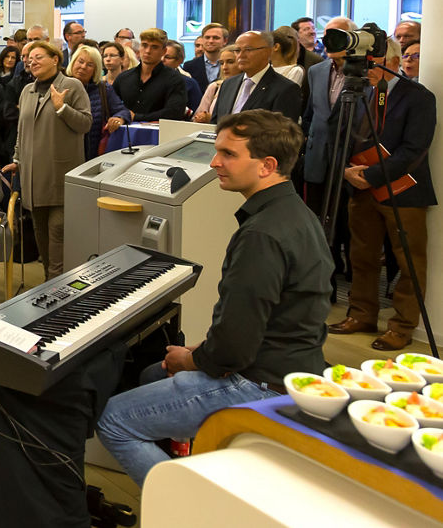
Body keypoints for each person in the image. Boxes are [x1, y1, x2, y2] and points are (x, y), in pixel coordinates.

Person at [96, 110, 332, 486]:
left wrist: (193, 358)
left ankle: (183, 507)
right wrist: (200, 352)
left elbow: (232, 353)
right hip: (294, 364)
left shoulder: (261, 235)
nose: (214, 162)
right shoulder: (296, 215)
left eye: (228, 154)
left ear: (267, 165)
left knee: (112, 420)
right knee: (149, 373)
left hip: (259, 382)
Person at [329, 39, 436, 351]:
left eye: (372, 60)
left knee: (409, 263)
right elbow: (339, 136)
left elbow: (414, 149)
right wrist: (347, 171)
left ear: (390, 59)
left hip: (403, 190)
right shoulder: (356, 92)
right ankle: (361, 313)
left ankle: (402, 326)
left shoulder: (418, 96)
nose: (366, 67)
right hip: (359, 189)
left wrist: (372, 176)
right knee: (362, 256)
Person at [7, 40, 91, 278]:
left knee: (57, 238)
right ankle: (49, 284)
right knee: (42, 240)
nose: (32, 61)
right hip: (33, 181)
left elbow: (85, 124)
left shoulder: (72, 86)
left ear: (55, 59)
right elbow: (21, 132)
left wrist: (62, 108)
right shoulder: (27, 91)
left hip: (59, 179)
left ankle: (57, 293)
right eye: (29, 58)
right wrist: (17, 158)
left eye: (39, 57)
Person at [302, 17, 358, 278]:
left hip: (349, 160)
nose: (329, 40)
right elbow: (312, 114)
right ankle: (325, 276)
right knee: (316, 221)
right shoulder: (316, 71)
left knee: (347, 224)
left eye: (337, 34)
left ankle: (345, 273)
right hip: (317, 159)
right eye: (326, 35)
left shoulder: (364, 73)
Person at [211, 30, 302, 123]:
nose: (241, 55)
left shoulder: (286, 89)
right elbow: (215, 124)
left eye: (248, 49)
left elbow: (283, 132)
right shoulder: (228, 84)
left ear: (268, 51)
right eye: (237, 50)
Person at [112, 28, 188, 121]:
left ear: (164, 51)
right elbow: (110, 106)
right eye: (144, 45)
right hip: (126, 133)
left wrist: (136, 117)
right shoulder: (124, 78)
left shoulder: (175, 79)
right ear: (139, 47)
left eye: (154, 47)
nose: (148, 51)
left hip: (158, 134)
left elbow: (174, 113)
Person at [70, 45, 131, 158]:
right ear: (73, 62)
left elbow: (123, 111)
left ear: (95, 69)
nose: (83, 67)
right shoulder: (60, 85)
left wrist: (119, 118)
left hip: (92, 153)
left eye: (90, 65)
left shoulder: (103, 88)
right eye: (80, 61)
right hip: (65, 151)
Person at [192, 44, 239, 123]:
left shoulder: (248, 86)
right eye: (221, 63)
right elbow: (197, 116)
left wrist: (213, 118)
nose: (224, 67)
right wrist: (202, 117)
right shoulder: (215, 87)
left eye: (230, 62)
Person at [182, 23, 228, 92]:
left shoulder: (232, 65)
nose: (211, 41)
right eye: (207, 37)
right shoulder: (189, 66)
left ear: (225, 41)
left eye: (216, 38)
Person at [162, 40, 202, 115]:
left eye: (167, 57)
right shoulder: (145, 79)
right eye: (159, 55)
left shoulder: (189, 83)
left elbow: (196, 113)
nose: (162, 60)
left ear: (179, 60)